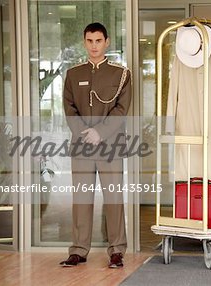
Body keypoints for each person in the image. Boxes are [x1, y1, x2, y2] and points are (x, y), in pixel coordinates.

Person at [60, 22, 132, 267]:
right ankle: (78, 250)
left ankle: (117, 250)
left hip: (110, 145)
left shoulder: (121, 74)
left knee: (113, 198)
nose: (94, 46)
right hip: (81, 146)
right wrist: (84, 132)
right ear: (84, 42)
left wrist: (100, 132)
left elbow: (122, 109)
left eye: (98, 41)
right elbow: (69, 108)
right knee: (81, 199)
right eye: (89, 41)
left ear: (107, 42)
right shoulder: (73, 74)